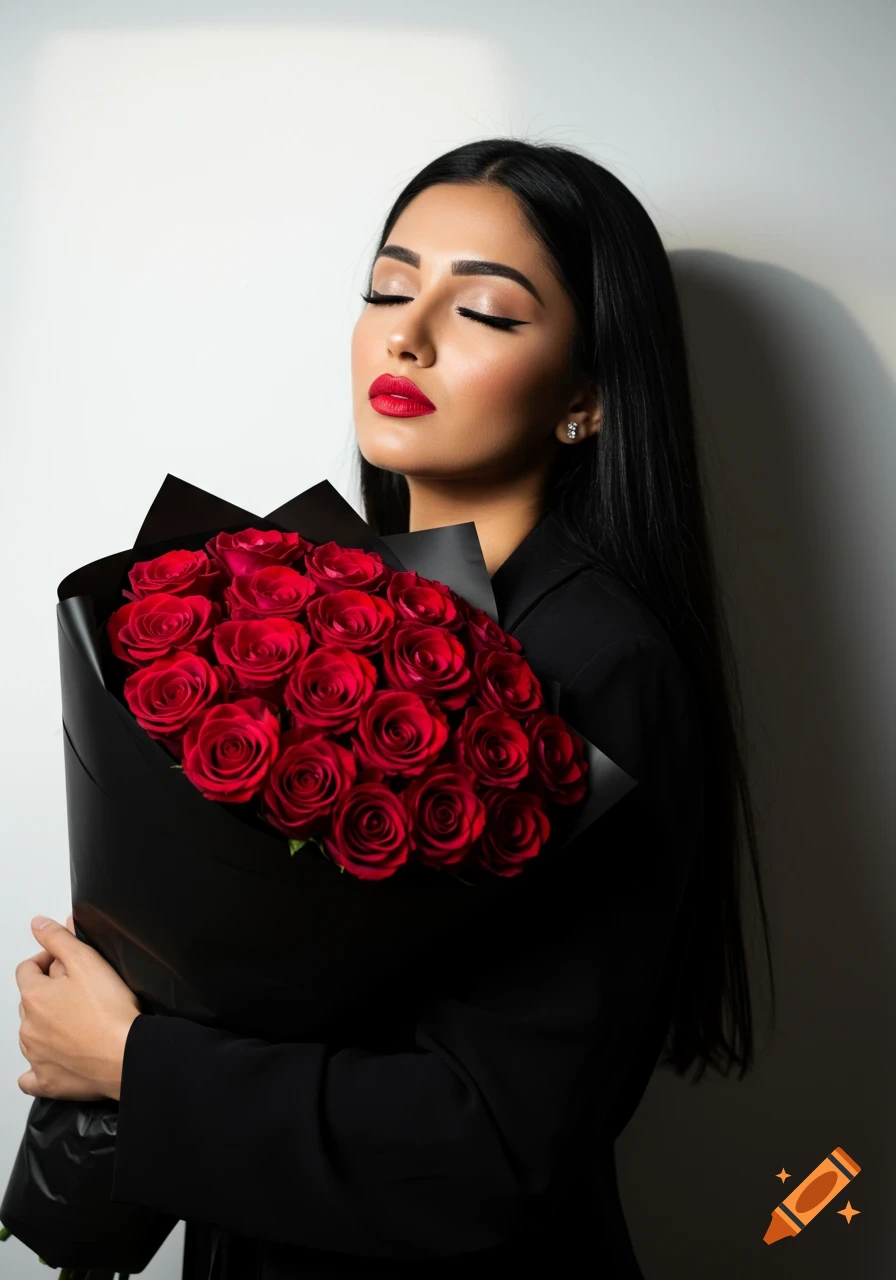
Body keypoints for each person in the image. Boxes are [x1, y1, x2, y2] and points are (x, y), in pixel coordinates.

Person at [17, 138, 774, 1279]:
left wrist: (136, 1058)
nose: (405, 332)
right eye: (386, 287)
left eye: (482, 310)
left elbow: (497, 1138)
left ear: (585, 397)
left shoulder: (598, 660)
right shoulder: (325, 602)